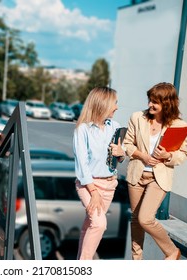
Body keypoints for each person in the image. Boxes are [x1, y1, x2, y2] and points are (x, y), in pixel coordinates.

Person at [123, 82, 187, 260]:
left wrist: (168, 155)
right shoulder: (137, 118)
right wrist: (143, 156)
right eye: (150, 100)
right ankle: (137, 261)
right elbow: (127, 144)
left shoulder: (179, 125)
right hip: (137, 174)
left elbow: (182, 155)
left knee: (145, 219)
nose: (150, 105)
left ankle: (172, 251)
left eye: (155, 102)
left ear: (167, 104)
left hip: (158, 178)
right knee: (136, 221)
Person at [73, 86, 125, 260]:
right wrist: (93, 192)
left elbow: (117, 158)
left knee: (89, 225)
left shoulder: (115, 127)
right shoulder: (83, 129)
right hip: (89, 185)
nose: (117, 107)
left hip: (110, 184)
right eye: (114, 103)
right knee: (99, 224)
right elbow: (82, 164)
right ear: (102, 104)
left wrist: (121, 154)